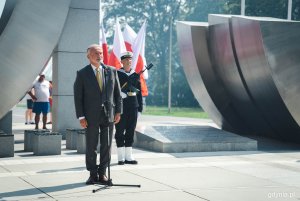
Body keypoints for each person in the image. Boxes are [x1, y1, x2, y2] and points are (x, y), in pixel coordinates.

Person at [73, 44, 122, 185]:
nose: (99, 55)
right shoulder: (82, 73)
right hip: (90, 116)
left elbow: (117, 94)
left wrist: (118, 111)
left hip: (109, 115)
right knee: (91, 146)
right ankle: (93, 174)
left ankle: (103, 173)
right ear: (88, 56)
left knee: (106, 145)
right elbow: (78, 97)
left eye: (100, 53)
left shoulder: (111, 71)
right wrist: (81, 116)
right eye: (95, 53)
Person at [115, 51, 143, 165]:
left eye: (130, 60)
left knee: (130, 131)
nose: (128, 61)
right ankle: (121, 157)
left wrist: (140, 108)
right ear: (121, 61)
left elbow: (139, 93)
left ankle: (129, 157)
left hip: (133, 106)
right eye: (126, 60)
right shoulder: (117, 74)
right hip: (121, 107)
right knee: (120, 131)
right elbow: (113, 90)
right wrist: (119, 95)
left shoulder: (135, 75)